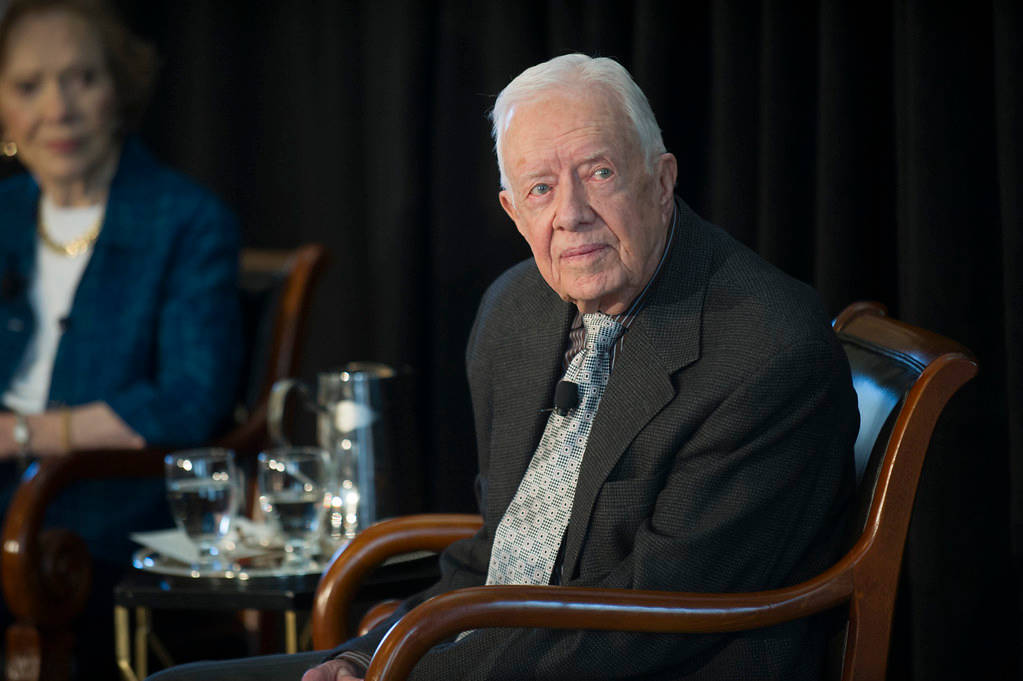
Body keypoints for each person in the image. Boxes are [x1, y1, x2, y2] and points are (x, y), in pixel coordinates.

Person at [150, 54, 856, 681]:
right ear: (513, 212)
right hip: (486, 650)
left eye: (599, 172)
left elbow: (654, 609)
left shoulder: (766, 347)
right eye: (541, 189)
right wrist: (364, 657)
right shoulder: (515, 310)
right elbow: (502, 549)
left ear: (660, 178)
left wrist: (408, 667)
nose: (571, 214)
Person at [0, 0, 240, 673]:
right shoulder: (4, 216)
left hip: (106, 512)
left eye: (82, 78)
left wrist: (20, 436)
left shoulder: (185, 220)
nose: (58, 108)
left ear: (120, 87)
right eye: (27, 86)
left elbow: (189, 399)